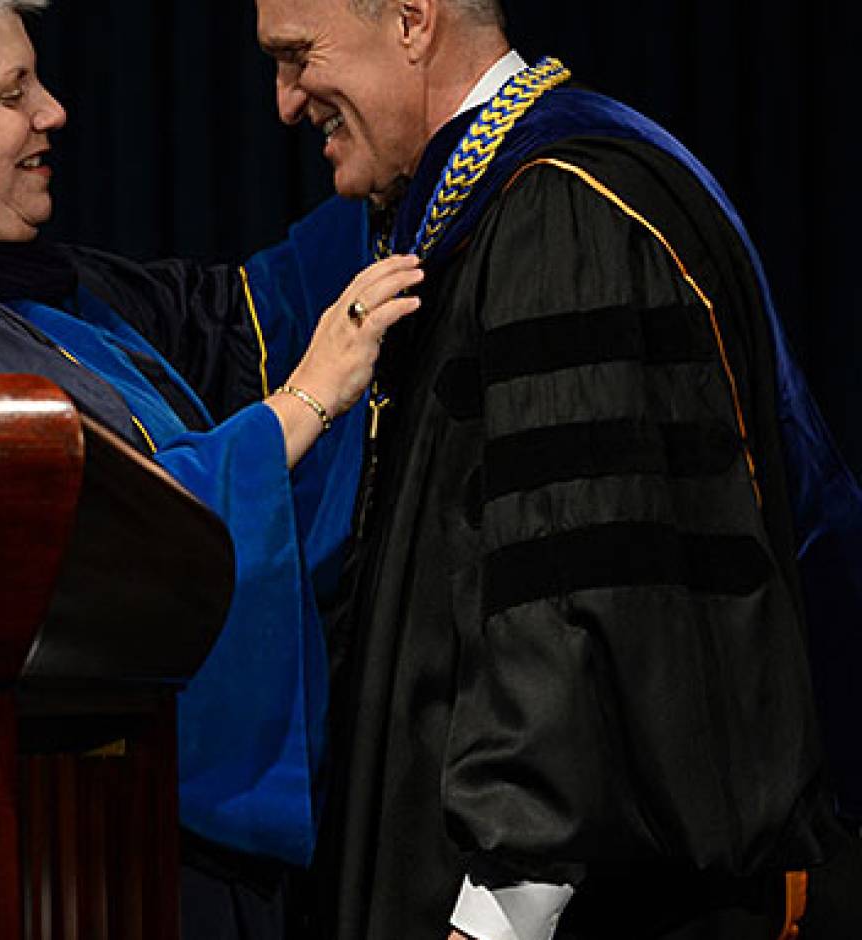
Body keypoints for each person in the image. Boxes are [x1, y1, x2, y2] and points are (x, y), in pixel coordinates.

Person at [0, 0, 422, 933]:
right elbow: (112, 537)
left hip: (134, 827)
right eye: (12, 93)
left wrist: (424, 151)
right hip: (75, 850)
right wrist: (305, 404)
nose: (54, 111)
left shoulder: (38, 287)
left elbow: (245, 315)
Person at [249, 0, 862, 937]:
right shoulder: (476, 204)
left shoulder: (562, 211)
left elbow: (579, 593)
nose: (287, 103)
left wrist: (500, 908)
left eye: (299, 56)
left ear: (413, 19)